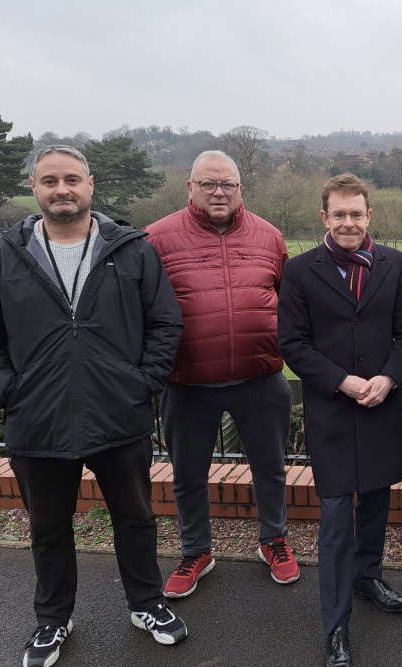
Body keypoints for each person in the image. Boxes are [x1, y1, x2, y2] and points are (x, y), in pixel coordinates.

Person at [0, 145, 188, 667]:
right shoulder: (3, 255)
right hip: (37, 419)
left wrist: (142, 382)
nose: (62, 189)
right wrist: (5, 388)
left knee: (135, 518)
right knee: (49, 527)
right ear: (34, 188)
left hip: (118, 414)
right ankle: (52, 621)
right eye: (49, 180)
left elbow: (166, 323)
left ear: (90, 184)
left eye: (72, 179)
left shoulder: (132, 250)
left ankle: (147, 604)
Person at [278, 173, 402, 667]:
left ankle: (369, 578)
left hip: (381, 406)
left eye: (356, 213)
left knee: (377, 503)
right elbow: (293, 344)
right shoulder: (299, 272)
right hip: (333, 411)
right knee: (338, 518)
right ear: (324, 217)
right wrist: (343, 381)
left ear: (369, 215)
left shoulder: (394, 264)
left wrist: (387, 378)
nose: (348, 222)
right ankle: (336, 623)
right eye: (338, 214)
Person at [145, 150, 299, 598]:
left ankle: (273, 540)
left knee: (270, 468)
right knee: (188, 473)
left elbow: (288, 303)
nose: (218, 192)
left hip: (260, 377)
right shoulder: (156, 238)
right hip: (187, 381)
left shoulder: (270, 237)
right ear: (189, 187)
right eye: (208, 183)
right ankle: (196, 550)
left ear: (240, 189)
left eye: (227, 184)